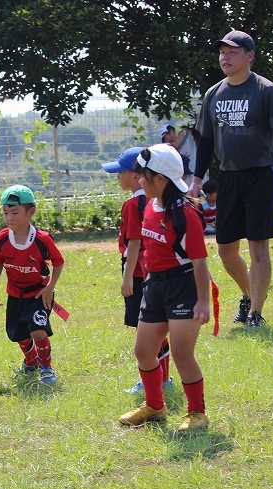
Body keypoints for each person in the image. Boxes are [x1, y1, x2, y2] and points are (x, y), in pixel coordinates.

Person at [192, 29, 273, 328]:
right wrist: (196, 179)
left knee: (258, 246)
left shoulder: (267, 91)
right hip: (228, 176)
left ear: (250, 56)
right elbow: (206, 141)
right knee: (226, 250)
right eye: (222, 52)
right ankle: (247, 294)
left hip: (261, 175)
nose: (225, 57)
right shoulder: (213, 94)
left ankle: (256, 313)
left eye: (232, 52)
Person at [119, 144, 211, 432]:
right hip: (155, 286)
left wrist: (203, 301)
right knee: (143, 350)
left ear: (161, 179)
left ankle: (197, 413)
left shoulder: (185, 214)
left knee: (182, 354)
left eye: (143, 176)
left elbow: (200, 262)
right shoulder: (149, 205)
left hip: (183, 286)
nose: (139, 180)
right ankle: (155, 407)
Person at [103, 148, 173, 394]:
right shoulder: (156, 201)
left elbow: (134, 243)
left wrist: (127, 279)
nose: (117, 177)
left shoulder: (133, 204)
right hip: (155, 271)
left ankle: (152, 380)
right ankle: (164, 378)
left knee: (147, 331)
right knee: (157, 329)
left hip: (138, 274)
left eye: (120, 172)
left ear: (135, 176)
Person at [0, 185, 64, 386]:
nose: (9, 217)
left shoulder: (42, 239)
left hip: (39, 294)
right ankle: (31, 361)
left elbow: (58, 262)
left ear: (31, 212)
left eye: (14, 212)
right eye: (5, 213)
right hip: (15, 295)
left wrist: (49, 288)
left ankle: (47, 368)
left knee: (38, 330)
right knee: (18, 334)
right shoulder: (1, 239)